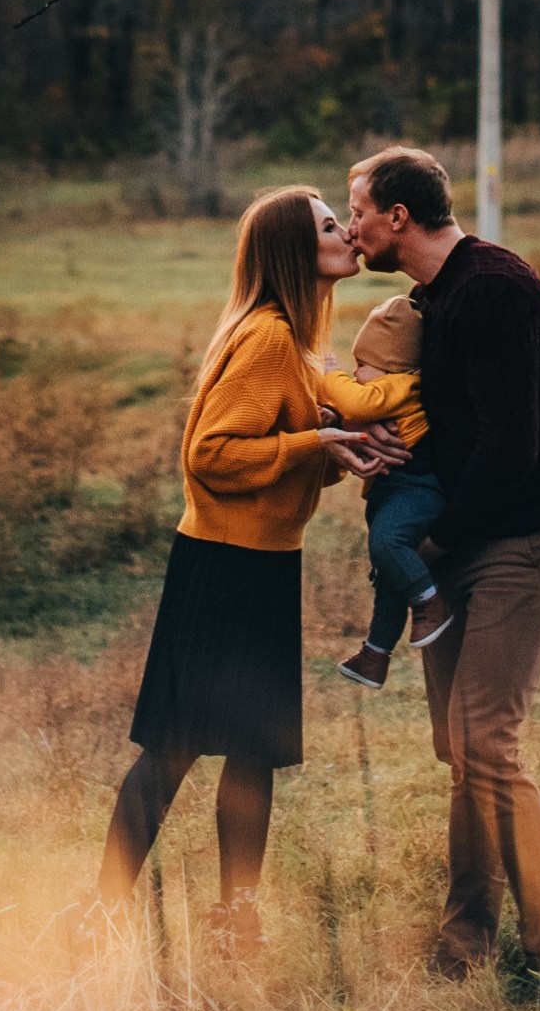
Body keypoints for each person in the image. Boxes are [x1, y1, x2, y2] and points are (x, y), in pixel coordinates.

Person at [96, 186, 417, 954]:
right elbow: (210, 455)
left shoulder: (295, 341)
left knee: (253, 748)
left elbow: (273, 458)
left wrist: (340, 447)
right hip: (221, 567)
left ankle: (237, 924)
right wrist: (315, 444)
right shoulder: (271, 337)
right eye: (328, 226)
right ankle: (100, 912)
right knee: (173, 749)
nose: (347, 232)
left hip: (265, 561)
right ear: (290, 252)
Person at [347, 144, 540, 991]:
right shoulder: (432, 296)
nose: (352, 228)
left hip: (523, 538)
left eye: (359, 212)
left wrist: (432, 542)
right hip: (461, 537)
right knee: (461, 747)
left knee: (487, 738)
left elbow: (512, 451)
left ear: (399, 218)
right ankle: (464, 943)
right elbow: (439, 422)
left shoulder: (492, 289)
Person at [333, 281, 452, 688]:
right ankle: (375, 654)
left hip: (416, 490)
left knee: (388, 546)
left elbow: (354, 403)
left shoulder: (401, 386)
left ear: (391, 364)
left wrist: (326, 376)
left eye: (363, 364)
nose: (355, 372)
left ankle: (430, 603)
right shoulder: (386, 386)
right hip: (394, 494)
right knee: (388, 574)